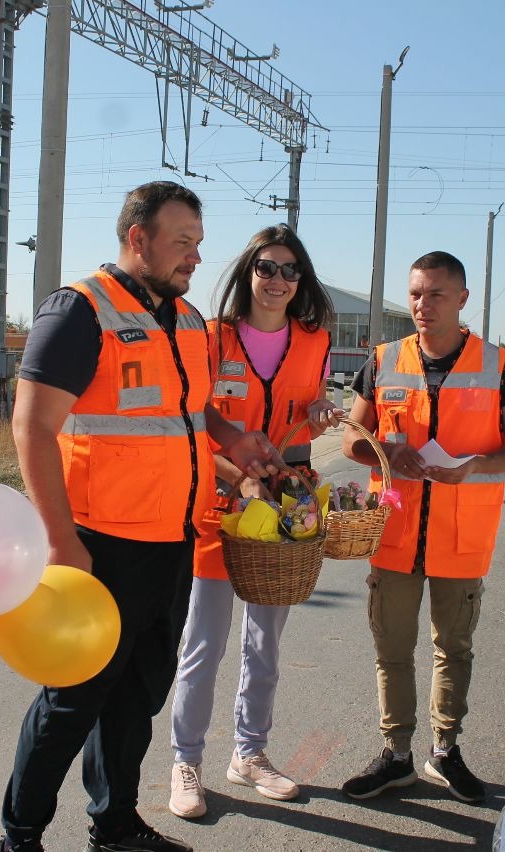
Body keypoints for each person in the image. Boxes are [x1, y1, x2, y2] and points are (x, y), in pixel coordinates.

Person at [0, 181, 283, 852]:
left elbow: (183, 415)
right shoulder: (79, 311)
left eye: (198, 244)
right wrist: (62, 542)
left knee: (136, 701)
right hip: (97, 547)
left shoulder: (186, 322)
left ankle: (115, 823)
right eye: (182, 242)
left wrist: (230, 439)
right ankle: (19, 838)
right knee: (72, 704)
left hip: (172, 541)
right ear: (138, 239)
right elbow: (30, 428)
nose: (194, 257)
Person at [339, 250, 505, 804]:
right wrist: (386, 454)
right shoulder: (383, 360)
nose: (423, 306)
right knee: (392, 649)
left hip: (462, 536)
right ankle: (396, 755)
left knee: (454, 648)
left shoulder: (497, 364)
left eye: (436, 295)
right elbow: (353, 437)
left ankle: (446, 752)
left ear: (463, 299)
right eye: (417, 294)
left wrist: (476, 465)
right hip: (395, 533)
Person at [167, 224, 343, 820]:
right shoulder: (209, 339)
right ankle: (185, 761)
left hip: (286, 509)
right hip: (220, 505)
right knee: (203, 644)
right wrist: (234, 478)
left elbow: (305, 416)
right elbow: (195, 421)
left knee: (265, 643)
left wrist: (319, 413)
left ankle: (250, 753)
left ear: (302, 283)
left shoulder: (314, 341)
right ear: (248, 272)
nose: (278, 280)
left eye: (291, 271)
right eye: (267, 267)